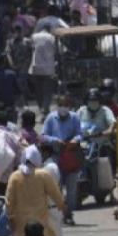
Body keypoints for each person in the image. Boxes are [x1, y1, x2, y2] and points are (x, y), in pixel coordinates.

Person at [5, 146, 67, 236]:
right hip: (40, 223)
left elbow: (9, 200)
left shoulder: (14, 176)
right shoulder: (42, 175)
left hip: (21, 224)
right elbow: (55, 193)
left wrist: (10, 217)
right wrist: (62, 206)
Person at [38, 143, 75, 236]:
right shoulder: (47, 166)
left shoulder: (49, 168)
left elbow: (46, 188)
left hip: (51, 209)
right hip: (47, 208)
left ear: (45, 153)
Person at [41, 95, 82, 223]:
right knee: (56, 187)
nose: (63, 108)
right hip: (55, 156)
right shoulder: (50, 118)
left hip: (71, 155)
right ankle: (59, 212)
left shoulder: (74, 117)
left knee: (71, 187)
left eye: (66, 105)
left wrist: (75, 140)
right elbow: (43, 136)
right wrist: (55, 140)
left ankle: (69, 213)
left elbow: (80, 134)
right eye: (61, 105)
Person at [29, 24, 57, 118]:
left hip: (35, 68)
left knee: (38, 91)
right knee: (47, 91)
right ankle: (45, 109)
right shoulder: (52, 37)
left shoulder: (34, 36)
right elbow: (57, 50)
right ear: (49, 29)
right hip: (48, 68)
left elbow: (31, 48)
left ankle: (42, 108)